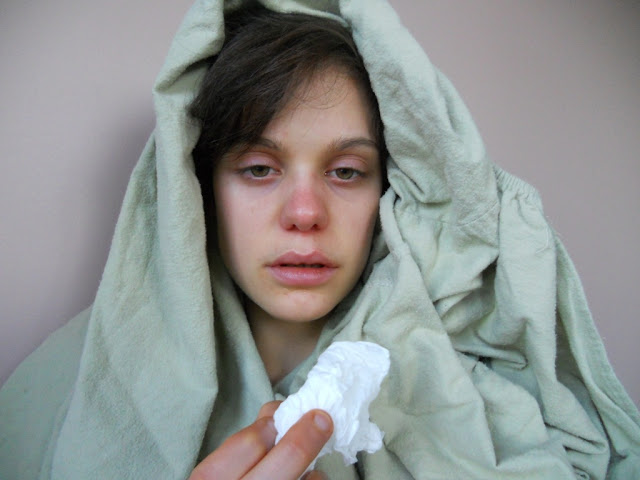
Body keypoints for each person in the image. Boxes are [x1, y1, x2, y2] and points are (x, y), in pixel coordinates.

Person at [1, 1, 639, 479]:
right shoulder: (71, 380)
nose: (305, 214)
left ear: (389, 193)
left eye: (347, 172)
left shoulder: (480, 403)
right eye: (258, 168)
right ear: (198, 191)